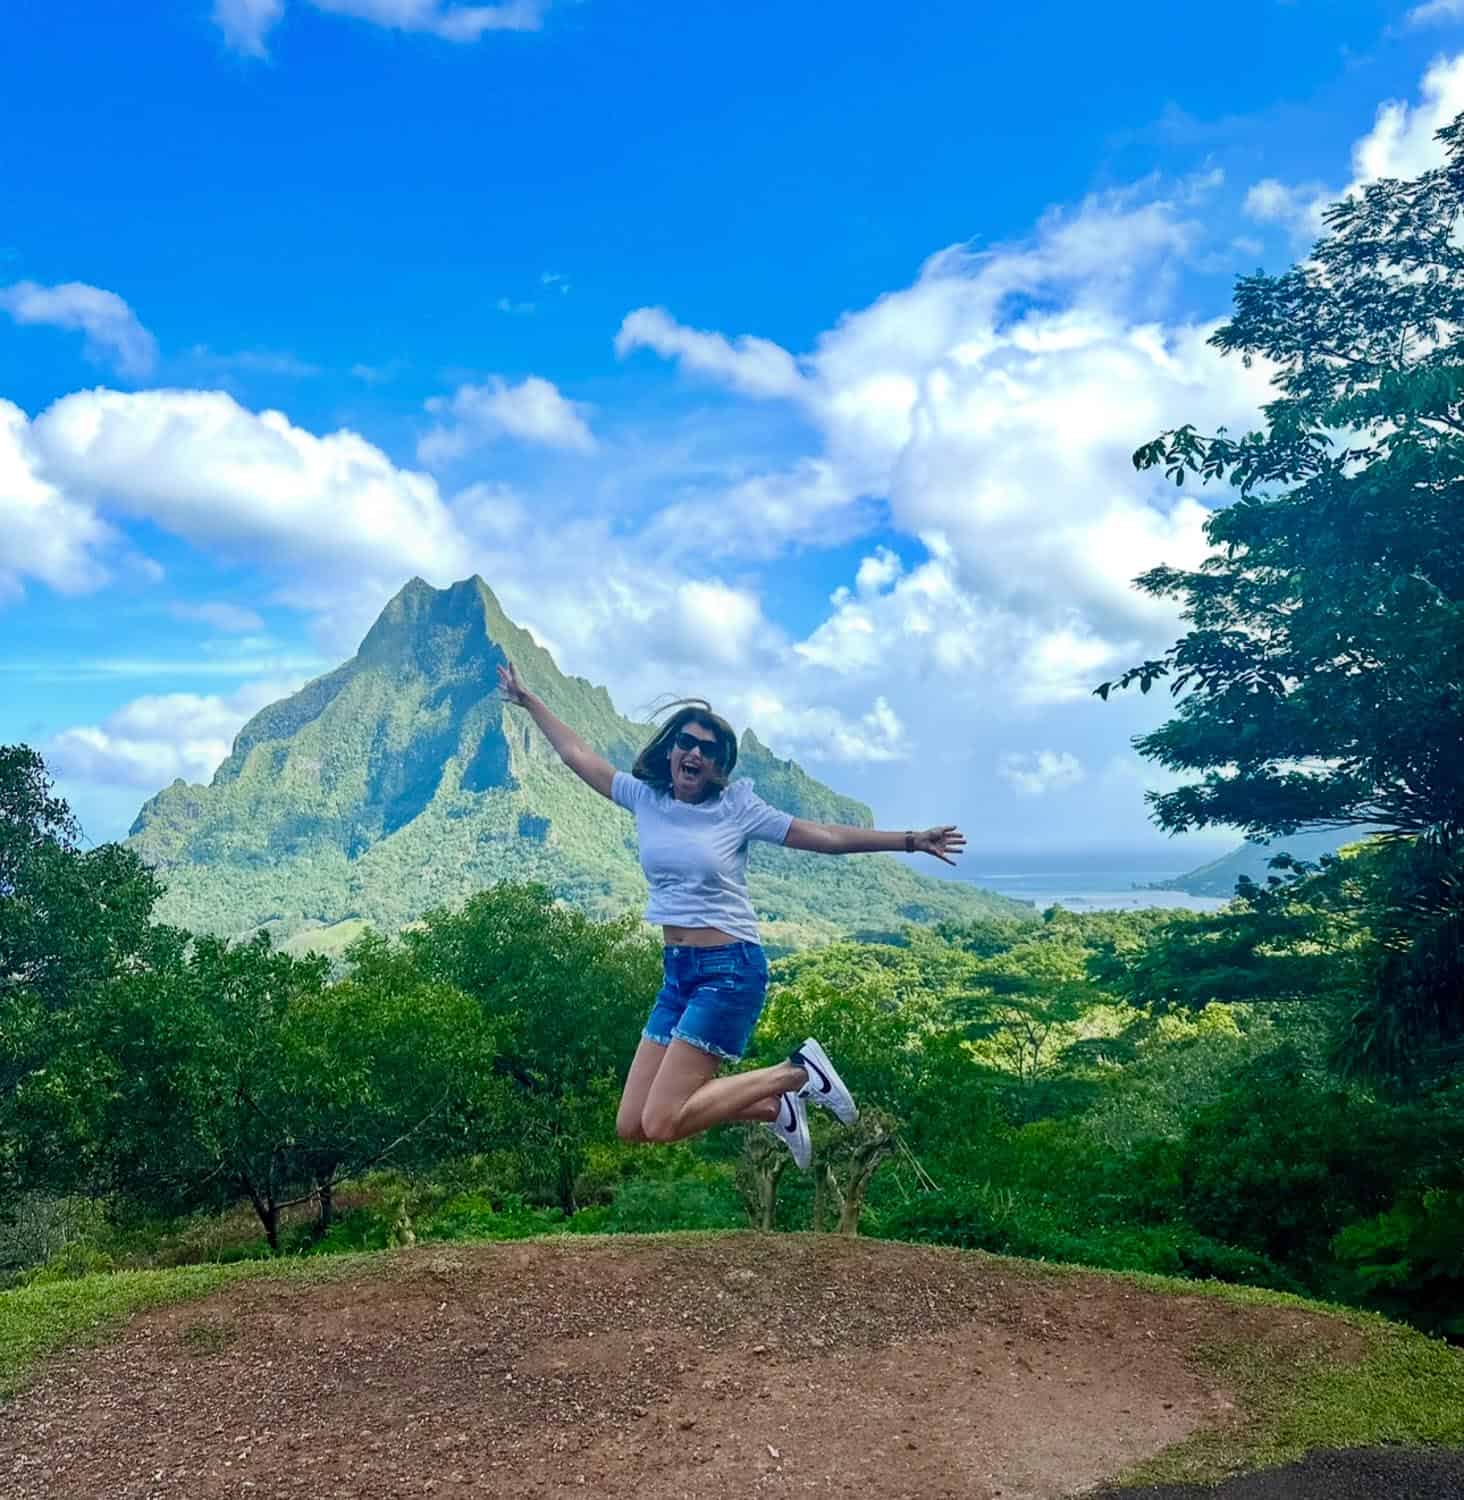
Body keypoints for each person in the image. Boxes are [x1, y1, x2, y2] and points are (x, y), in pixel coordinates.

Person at [496, 662, 965, 1169]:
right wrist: (529, 700)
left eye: (709, 750)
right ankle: (772, 1105)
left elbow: (824, 839)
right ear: (670, 749)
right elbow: (577, 755)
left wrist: (910, 840)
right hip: (677, 975)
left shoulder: (737, 809)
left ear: (719, 766)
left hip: (729, 970)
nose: (695, 752)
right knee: (632, 1125)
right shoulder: (645, 798)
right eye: (687, 742)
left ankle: (798, 1073)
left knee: (662, 1122)